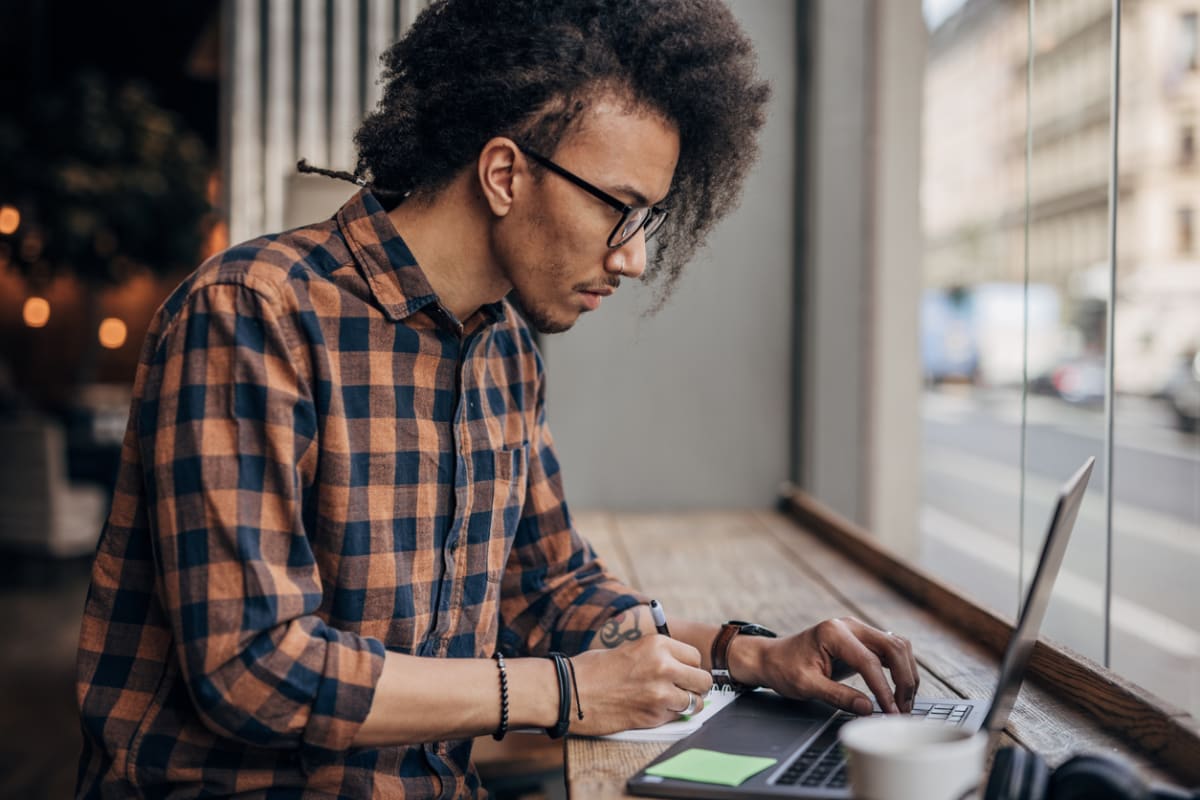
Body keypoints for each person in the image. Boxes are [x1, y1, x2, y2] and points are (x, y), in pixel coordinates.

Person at [75, 1, 919, 797]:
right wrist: (561, 692)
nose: (632, 260)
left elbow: (552, 591)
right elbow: (252, 669)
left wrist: (750, 656)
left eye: (647, 222)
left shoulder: (505, 351)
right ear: (506, 173)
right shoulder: (253, 311)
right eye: (621, 211)